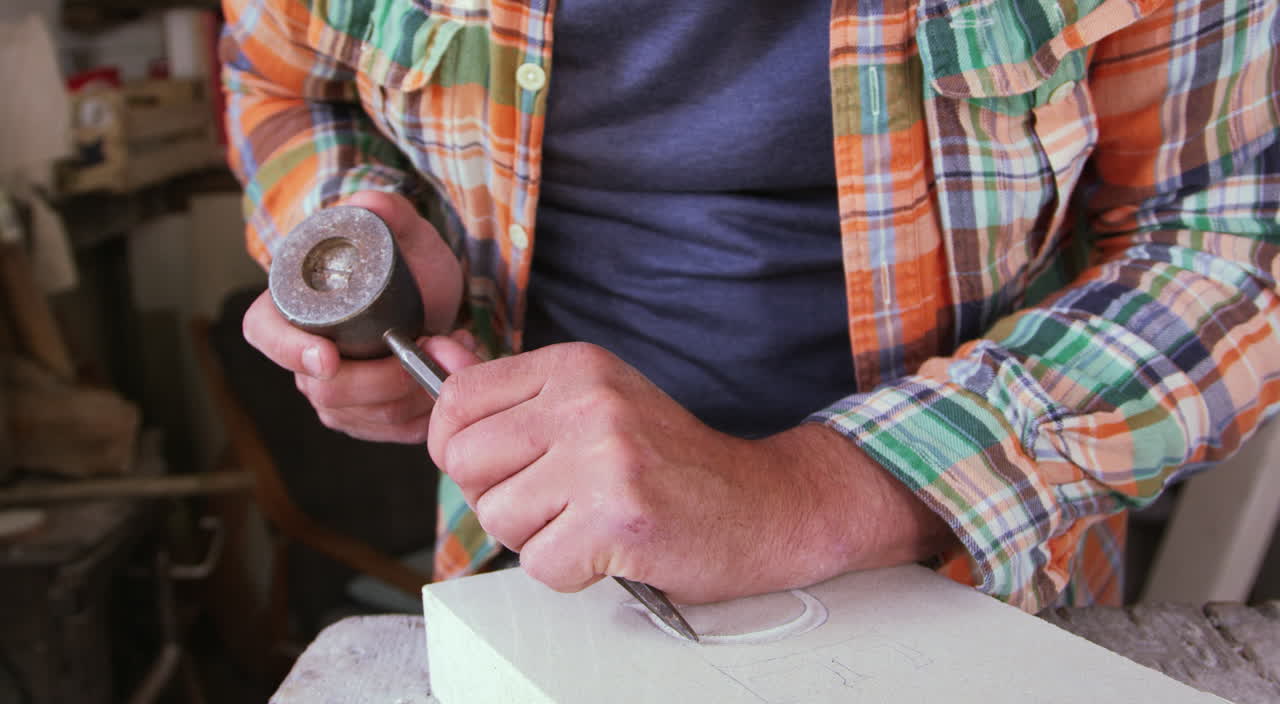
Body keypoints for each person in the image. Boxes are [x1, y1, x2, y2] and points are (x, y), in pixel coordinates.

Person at [222, 0, 1280, 612]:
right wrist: (373, 231)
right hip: (533, 575)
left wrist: (815, 491)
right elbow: (276, 83)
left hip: (986, 578)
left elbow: (1229, 237)